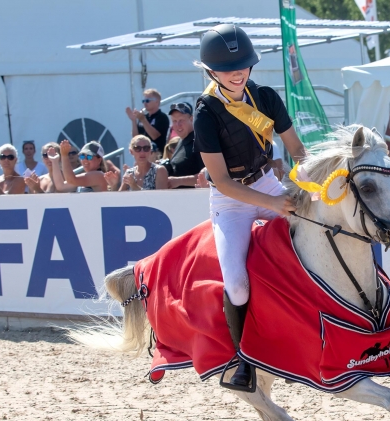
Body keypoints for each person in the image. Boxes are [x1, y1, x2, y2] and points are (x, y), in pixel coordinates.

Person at [194, 24, 307, 389]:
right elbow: (223, 181)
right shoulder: (206, 113)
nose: (238, 72)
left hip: (267, 181)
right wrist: (274, 202)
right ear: (211, 72)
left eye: (243, 64)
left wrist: (308, 187)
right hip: (230, 201)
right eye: (228, 68)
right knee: (238, 285)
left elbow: (298, 152)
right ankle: (243, 359)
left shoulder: (267, 97)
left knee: (318, 231)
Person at [105, 135, 169, 191]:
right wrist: (114, 186)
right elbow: (119, 201)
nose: (142, 152)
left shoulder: (159, 170)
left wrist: (134, 186)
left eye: (146, 148)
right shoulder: (129, 173)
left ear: (150, 151)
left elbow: (160, 199)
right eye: (137, 148)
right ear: (131, 152)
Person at [167, 101, 205, 188]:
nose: (178, 125)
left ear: (191, 119)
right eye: (174, 121)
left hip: (196, 198)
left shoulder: (199, 141)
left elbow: (209, 174)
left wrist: (179, 181)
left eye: (181, 120)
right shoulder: (182, 141)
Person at [126, 88, 171, 153]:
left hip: (156, 155)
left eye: (147, 100)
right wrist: (133, 120)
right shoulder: (144, 117)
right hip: (142, 154)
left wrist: (143, 120)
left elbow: (154, 136)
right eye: (143, 101)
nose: (145, 103)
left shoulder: (162, 117)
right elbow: (136, 138)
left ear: (157, 102)